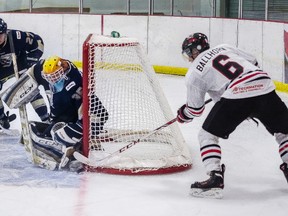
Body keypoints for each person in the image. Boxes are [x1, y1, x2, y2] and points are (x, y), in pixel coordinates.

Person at [176, 32, 288, 198]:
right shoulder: (224, 47)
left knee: (207, 135)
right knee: (284, 132)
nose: (189, 58)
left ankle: (215, 177)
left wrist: (183, 114)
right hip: (263, 84)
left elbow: (195, 110)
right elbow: (254, 62)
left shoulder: (194, 72)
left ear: (194, 51)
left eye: (189, 53)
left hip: (237, 93)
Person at [13, 55, 109, 171]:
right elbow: (33, 71)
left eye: (54, 76)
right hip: (59, 115)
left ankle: (78, 145)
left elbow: (99, 113)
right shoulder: (44, 69)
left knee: (61, 134)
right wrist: (19, 87)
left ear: (62, 70)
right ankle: (70, 144)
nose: (52, 79)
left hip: (72, 116)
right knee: (45, 133)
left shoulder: (77, 82)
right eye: (48, 77)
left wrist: (82, 130)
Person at [0, 17, 48, 130]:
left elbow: (38, 42)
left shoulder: (16, 36)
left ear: (5, 33)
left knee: (29, 89)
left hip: (19, 66)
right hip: (1, 71)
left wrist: (33, 58)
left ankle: (45, 118)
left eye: (0, 35)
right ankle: (2, 117)